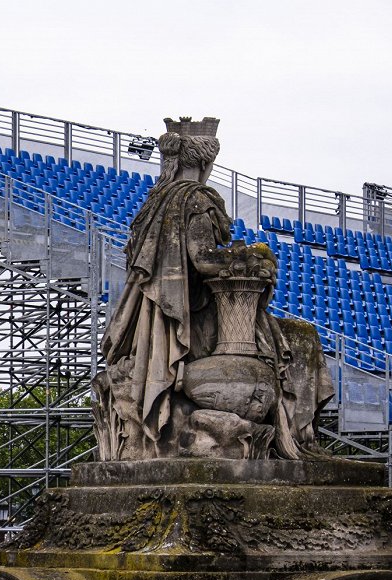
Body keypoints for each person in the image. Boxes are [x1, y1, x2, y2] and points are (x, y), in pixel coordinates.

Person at [93, 116, 331, 461]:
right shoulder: (195, 198)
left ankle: (294, 437)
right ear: (206, 161)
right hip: (198, 314)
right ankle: (298, 437)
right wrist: (249, 258)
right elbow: (203, 259)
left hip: (174, 310)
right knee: (300, 338)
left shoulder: (155, 203)